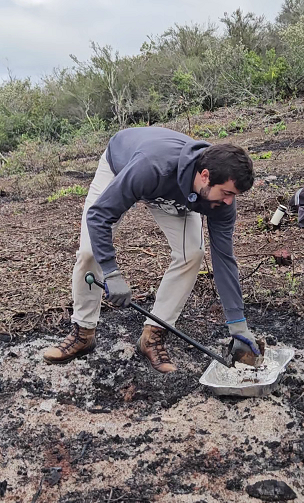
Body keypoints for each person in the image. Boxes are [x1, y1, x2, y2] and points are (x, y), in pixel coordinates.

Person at [43, 126, 262, 373]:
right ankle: (83, 333)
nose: (229, 202)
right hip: (124, 167)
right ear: (205, 175)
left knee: (192, 253)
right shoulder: (153, 167)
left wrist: (238, 324)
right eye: (227, 193)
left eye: (234, 195)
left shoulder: (221, 200)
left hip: (175, 191)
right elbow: (99, 216)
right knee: (89, 252)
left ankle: (152, 336)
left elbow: (224, 258)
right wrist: (111, 273)